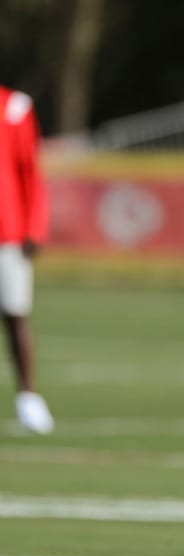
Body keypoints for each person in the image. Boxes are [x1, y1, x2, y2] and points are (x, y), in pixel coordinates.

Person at [0, 84, 54, 435]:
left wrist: (35, 225)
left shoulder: (14, 108)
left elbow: (30, 169)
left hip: (7, 229)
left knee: (15, 314)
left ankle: (29, 397)